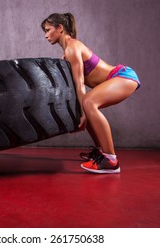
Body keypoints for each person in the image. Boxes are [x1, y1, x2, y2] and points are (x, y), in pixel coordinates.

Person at [41, 13, 140, 174]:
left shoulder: (72, 47)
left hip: (123, 76)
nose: (45, 35)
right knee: (86, 106)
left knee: (87, 103)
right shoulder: (68, 51)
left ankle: (111, 160)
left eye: (48, 30)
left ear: (60, 28)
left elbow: (80, 84)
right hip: (119, 78)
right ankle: (101, 152)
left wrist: (83, 114)